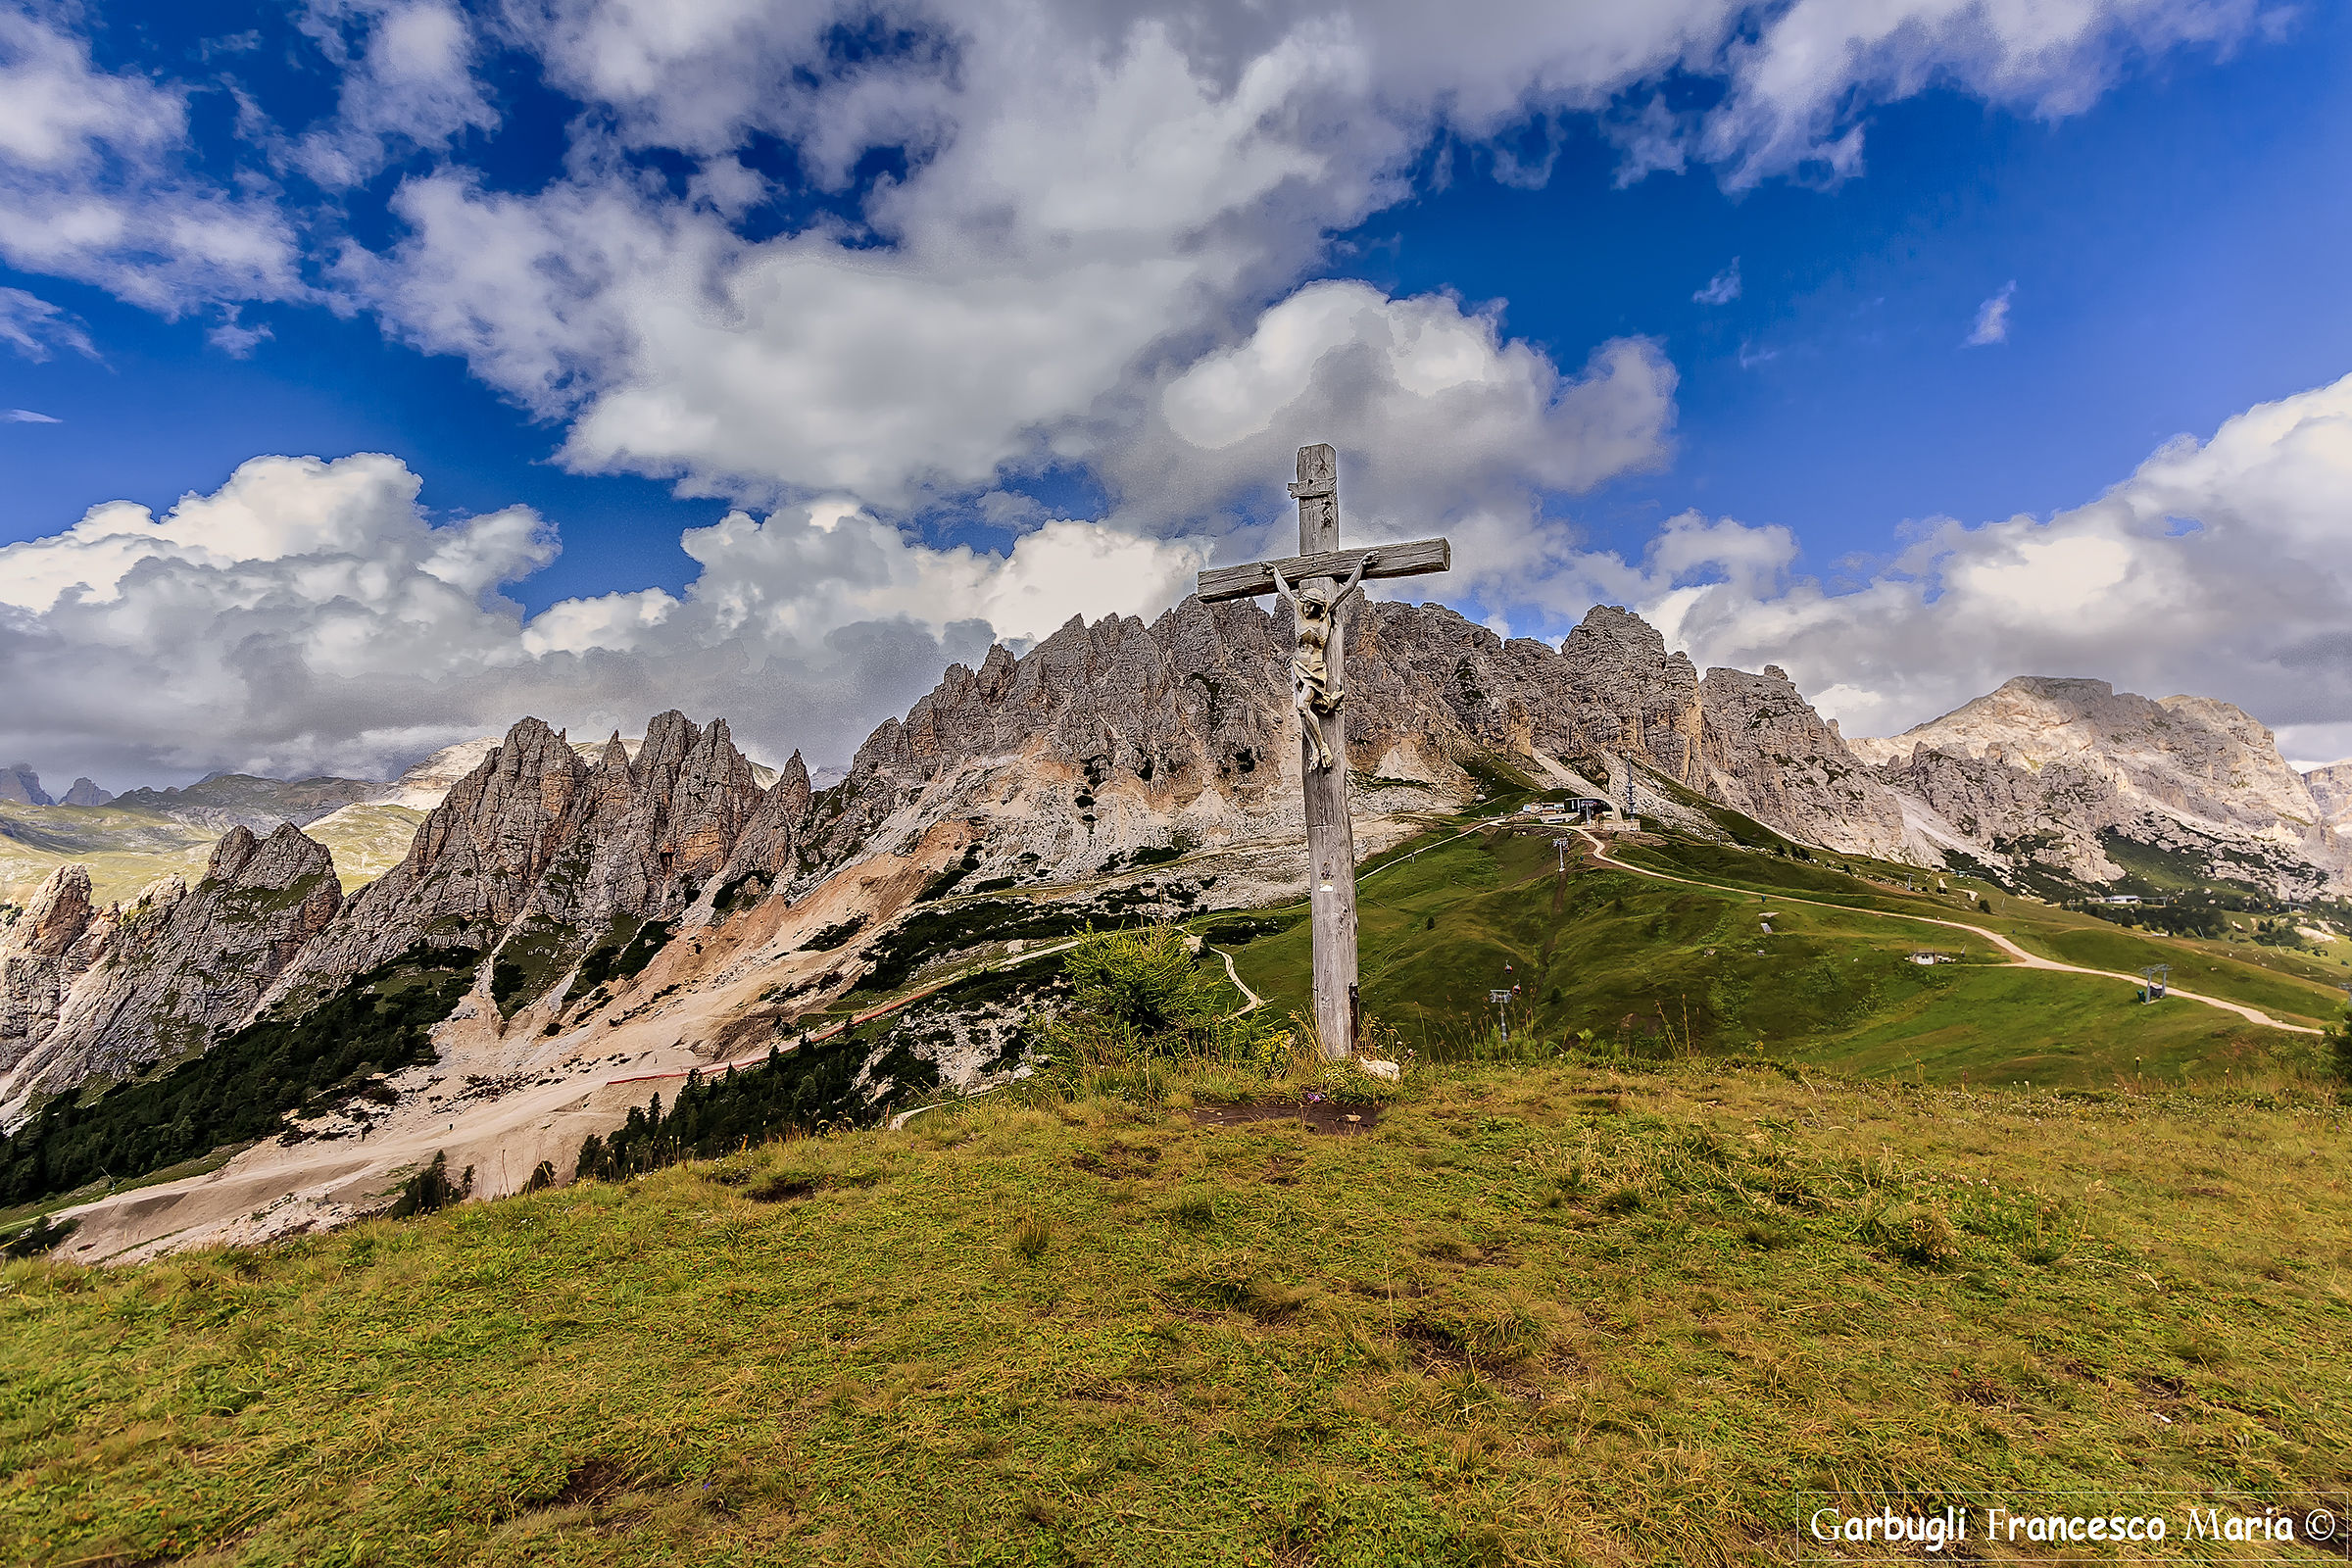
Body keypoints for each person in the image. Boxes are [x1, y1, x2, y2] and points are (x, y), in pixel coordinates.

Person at [1270, 551, 1376, 770]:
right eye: (1306, 604)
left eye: (1311, 605)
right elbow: (1284, 592)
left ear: (1319, 606)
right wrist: (1275, 573)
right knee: (1302, 711)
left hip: (1316, 669)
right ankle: (1316, 748)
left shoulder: (1325, 615)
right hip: (1298, 666)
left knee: (1302, 707)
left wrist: (1361, 565)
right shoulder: (1299, 612)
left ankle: (1324, 748)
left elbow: (1347, 589)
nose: (1307, 607)